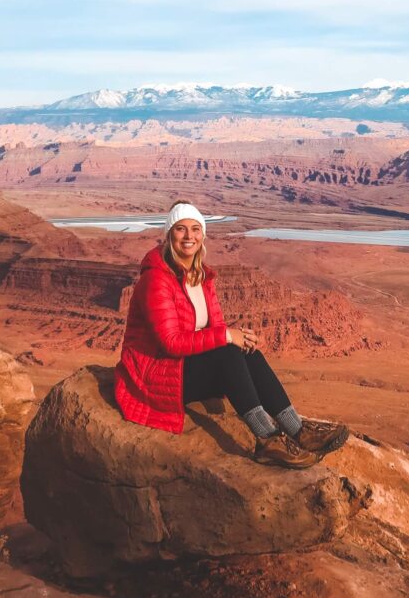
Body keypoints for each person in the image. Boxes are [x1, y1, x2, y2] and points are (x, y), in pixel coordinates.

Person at [114, 200, 349, 469]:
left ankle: (297, 430)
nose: (188, 236)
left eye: (195, 229)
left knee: (245, 352)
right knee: (227, 349)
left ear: (203, 235)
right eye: (180, 229)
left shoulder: (201, 276)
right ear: (169, 235)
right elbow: (171, 343)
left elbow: (216, 330)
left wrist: (240, 338)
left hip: (183, 367)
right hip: (156, 374)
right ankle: (267, 440)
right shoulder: (156, 280)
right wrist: (227, 336)